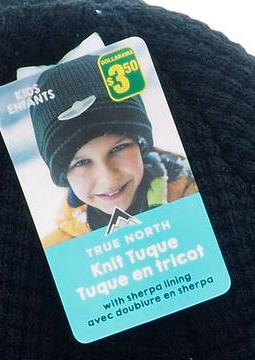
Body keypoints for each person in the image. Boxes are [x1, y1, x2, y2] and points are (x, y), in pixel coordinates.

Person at [29, 54, 197, 247]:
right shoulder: (60, 252)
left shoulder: (197, 200)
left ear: (141, 144)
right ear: (63, 176)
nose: (108, 178)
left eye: (118, 148)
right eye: (81, 162)